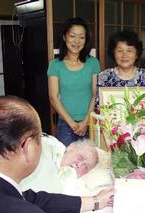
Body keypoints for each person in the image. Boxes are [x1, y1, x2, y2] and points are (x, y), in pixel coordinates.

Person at [48, 17, 100, 146]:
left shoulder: (93, 62)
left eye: (81, 37)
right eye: (72, 36)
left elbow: (95, 93)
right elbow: (53, 97)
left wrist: (86, 121)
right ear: (65, 37)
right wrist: (72, 123)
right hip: (65, 124)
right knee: (67, 163)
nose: (77, 41)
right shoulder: (55, 65)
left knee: (91, 162)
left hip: (90, 121)